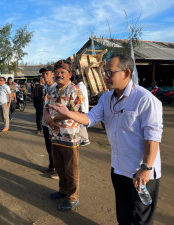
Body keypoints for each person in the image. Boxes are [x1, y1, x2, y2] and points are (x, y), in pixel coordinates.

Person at [49, 54, 163, 224]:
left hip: (141, 172)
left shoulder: (144, 99)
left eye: (110, 73)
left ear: (126, 73)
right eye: (105, 73)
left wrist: (146, 167)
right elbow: (89, 119)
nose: (105, 76)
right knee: (123, 213)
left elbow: (152, 137)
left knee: (141, 218)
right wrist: (68, 113)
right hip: (119, 169)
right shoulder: (106, 98)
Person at [43, 60, 83, 212]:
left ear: (70, 75)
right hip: (56, 135)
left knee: (71, 168)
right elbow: (47, 106)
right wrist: (47, 115)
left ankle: (73, 197)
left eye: (62, 73)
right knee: (59, 166)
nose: (59, 75)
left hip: (69, 136)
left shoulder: (75, 91)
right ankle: (63, 190)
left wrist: (52, 119)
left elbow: (73, 111)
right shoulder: (53, 89)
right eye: (57, 72)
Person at [39, 66, 58, 179]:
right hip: (46, 122)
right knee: (48, 146)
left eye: (47, 73)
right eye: (43, 74)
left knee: (55, 147)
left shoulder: (57, 88)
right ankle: (51, 166)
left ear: (53, 74)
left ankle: (58, 169)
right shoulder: (46, 87)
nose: (44, 76)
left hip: (53, 123)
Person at [74, 75, 90, 147]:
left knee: (81, 124)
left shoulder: (79, 87)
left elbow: (79, 98)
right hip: (84, 107)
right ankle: (82, 138)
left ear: (76, 80)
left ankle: (85, 139)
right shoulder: (82, 86)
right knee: (80, 124)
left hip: (81, 108)